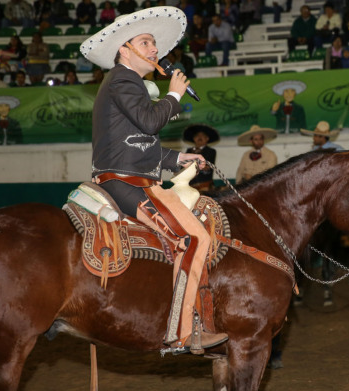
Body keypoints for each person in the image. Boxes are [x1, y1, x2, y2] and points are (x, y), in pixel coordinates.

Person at [79, 6, 228, 353]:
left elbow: (138, 145)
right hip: (126, 183)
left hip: (131, 176)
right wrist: (174, 95)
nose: (154, 50)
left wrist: (177, 158)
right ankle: (180, 332)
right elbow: (149, 123)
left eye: (154, 44)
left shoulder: (127, 84)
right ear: (124, 51)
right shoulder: (121, 78)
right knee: (195, 238)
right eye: (145, 42)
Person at [182, 124, 220, 192]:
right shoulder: (189, 151)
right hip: (190, 186)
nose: (199, 137)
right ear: (194, 139)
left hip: (205, 186)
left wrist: (191, 164)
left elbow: (206, 167)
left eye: (202, 136)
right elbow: (183, 166)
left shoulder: (211, 151)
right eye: (197, 136)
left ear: (207, 138)